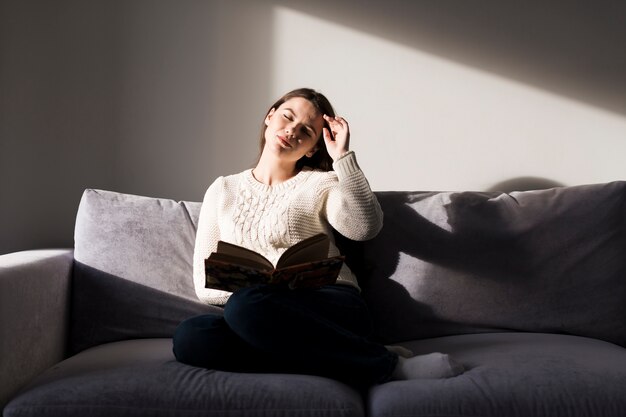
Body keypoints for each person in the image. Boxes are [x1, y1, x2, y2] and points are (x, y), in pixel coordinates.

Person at [173, 88, 463, 386]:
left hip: (330, 302)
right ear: (269, 117)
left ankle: (386, 367)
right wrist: (265, 294)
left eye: (306, 131)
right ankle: (353, 355)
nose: (292, 130)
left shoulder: (322, 183)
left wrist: (343, 158)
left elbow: (365, 228)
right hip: (263, 313)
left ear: (313, 148)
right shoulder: (223, 189)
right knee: (192, 337)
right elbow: (205, 284)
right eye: (287, 117)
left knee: (246, 306)